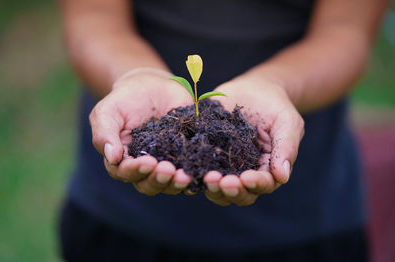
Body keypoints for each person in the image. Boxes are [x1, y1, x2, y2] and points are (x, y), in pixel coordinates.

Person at [58, 0, 388, 261]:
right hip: (123, 222)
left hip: (306, 217)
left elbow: (347, 32)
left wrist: (276, 84)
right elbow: (93, 16)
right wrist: (135, 74)